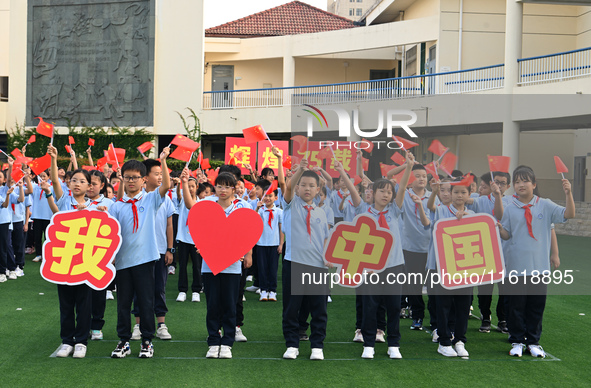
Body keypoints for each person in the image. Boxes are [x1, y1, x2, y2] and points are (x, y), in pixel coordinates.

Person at [282, 159, 356, 361]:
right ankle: (291, 344)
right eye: (303, 185)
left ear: (318, 190)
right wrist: (301, 171)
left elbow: (325, 239)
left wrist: (328, 257)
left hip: (317, 268)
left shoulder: (322, 213)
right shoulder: (291, 206)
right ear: (297, 188)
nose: (307, 188)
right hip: (294, 264)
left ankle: (317, 345)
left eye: (311, 186)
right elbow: (287, 187)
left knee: (319, 309)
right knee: (291, 308)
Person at [498, 165, 575, 358]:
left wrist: (568, 193)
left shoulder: (545, 205)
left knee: (536, 306)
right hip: (515, 268)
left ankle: (533, 342)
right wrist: (499, 228)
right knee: (516, 307)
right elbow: (507, 236)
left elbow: (569, 214)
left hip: (539, 269)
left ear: (534, 184)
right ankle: (516, 340)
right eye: (516, 182)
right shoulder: (510, 209)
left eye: (524, 181)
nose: (520, 185)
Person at [181, 168, 252, 359]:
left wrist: (247, 253)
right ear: (215, 187)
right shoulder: (207, 204)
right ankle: (213, 340)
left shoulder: (242, 207)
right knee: (212, 305)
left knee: (230, 305)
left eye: (227, 187)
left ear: (234, 189)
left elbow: (248, 233)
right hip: (210, 265)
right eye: (219, 186)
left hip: (232, 267)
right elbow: (191, 208)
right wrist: (184, 183)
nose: (223, 190)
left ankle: (227, 342)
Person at [108, 148, 171, 359]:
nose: (131, 181)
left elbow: (167, 186)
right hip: (123, 262)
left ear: (144, 180)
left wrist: (162, 161)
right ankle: (123, 340)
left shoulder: (150, 200)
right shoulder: (117, 206)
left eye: (135, 178)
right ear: (122, 180)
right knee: (123, 303)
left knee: (145, 302)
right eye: (127, 178)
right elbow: (110, 233)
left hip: (145, 260)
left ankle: (146, 341)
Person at [357, 151, 414, 360]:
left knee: (393, 305)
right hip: (371, 268)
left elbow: (404, 187)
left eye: (389, 192)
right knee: (370, 306)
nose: (386, 195)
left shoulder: (394, 211)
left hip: (394, 266)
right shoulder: (365, 216)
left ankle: (394, 344)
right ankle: (369, 344)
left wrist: (408, 167)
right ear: (373, 192)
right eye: (382, 191)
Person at [45, 144, 97, 358]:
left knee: (84, 303)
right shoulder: (64, 200)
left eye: (82, 181)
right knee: (66, 303)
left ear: (89, 187)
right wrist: (54, 158)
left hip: (84, 261)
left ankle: (81, 341)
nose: (77, 184)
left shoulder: (94, 207)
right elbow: (54, 180)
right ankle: (67, 340)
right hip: (64, 260)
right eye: (74, 180)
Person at [425, 176, 477, 358]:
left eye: (463, 192)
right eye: (456, 192)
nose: (459, 195)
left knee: (463, 305)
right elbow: (431, 210)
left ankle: (460, 340)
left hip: (466, 268)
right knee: (443, 304)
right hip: (443, 267)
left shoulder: (473, 215)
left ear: (470, 194)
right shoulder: (440, 210)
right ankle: (444, 341)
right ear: (450, 194)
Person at [129, 159, 176, 341]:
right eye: (156, 174)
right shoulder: (136, 198)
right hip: (140, 252)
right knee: (139, 290)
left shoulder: (165, 198)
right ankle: (138, 325)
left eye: (161, 174)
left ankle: (161, 324)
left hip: (160, 251)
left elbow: (169, 225)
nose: (160, 177)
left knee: (159, 289)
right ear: (145, 177)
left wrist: (170, 249)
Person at [400, 164, 439, 331]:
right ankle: (417, 316)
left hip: (432, 248)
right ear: (410, 179)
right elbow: (398, 185)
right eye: (417, 176)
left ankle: (435, 317)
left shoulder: (433, 197)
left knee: (433, 285)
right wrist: (407, 166)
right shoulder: (405, 196)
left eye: (424, 175)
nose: (422, 178)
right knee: (414, 285)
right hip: (410, 248)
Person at [84, 170, 115, 341]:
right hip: (80, 254)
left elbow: (116, 229)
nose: (90, 187)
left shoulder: (110, 203)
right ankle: (83, 325)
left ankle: (96, 326)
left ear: (102, 186)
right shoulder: (79, 202)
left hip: (101, 255)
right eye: (87, 183)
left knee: (98, 293)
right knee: (82, 294)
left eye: (94, 184)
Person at [256, 147, 284, 302]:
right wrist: (257, 207)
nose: (267, 199)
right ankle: (263, 290)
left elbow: (281, 228)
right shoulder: (260, 210)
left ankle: (272, 290)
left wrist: (281, 244)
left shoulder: (279, 211)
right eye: (265, 196)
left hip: (273, 244)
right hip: (261, 244)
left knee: (273, 269)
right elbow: (251, 221)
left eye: (271, 196)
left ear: (275, 197)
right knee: (262, 269)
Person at [175, 171, 202, 303]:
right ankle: (182, 290)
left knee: (197, 266)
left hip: (196, 239)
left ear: (197, 187)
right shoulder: (182, 200)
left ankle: (196, 290)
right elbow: (180, 195)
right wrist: (182, 183)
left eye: (192, 186)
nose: (190, 188)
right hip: (183, 237)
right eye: (188, 186)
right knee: (183, 265)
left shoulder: (202, 202)